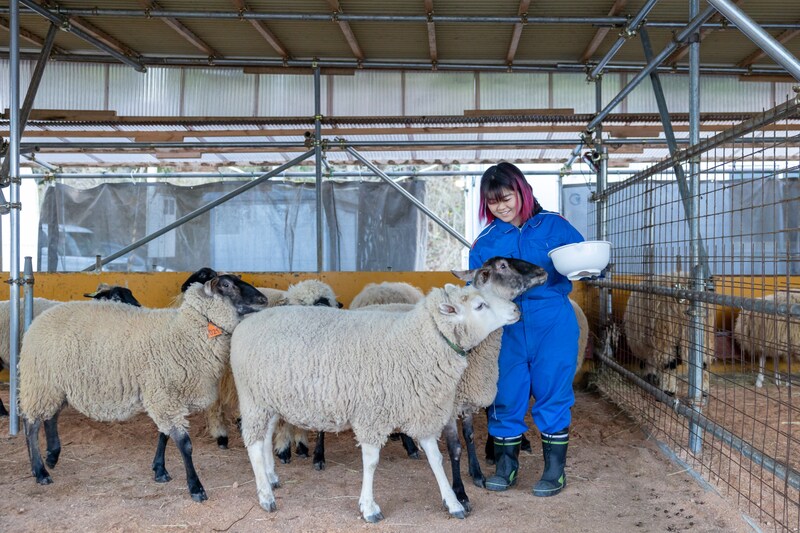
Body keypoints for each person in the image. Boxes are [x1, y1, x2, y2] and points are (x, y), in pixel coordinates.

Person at [469, 162, 584, 497]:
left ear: (522, 191)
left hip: (553, 322)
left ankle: (554, 471)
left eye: (506, 198)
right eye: (492, 202)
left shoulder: (555, 225)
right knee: (506, 395)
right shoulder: (486, 241)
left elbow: (584, 260)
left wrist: (594, 269)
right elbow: (477, 289)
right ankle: (506, 467)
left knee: (554, 393)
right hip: (507, 327)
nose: (500, 207)